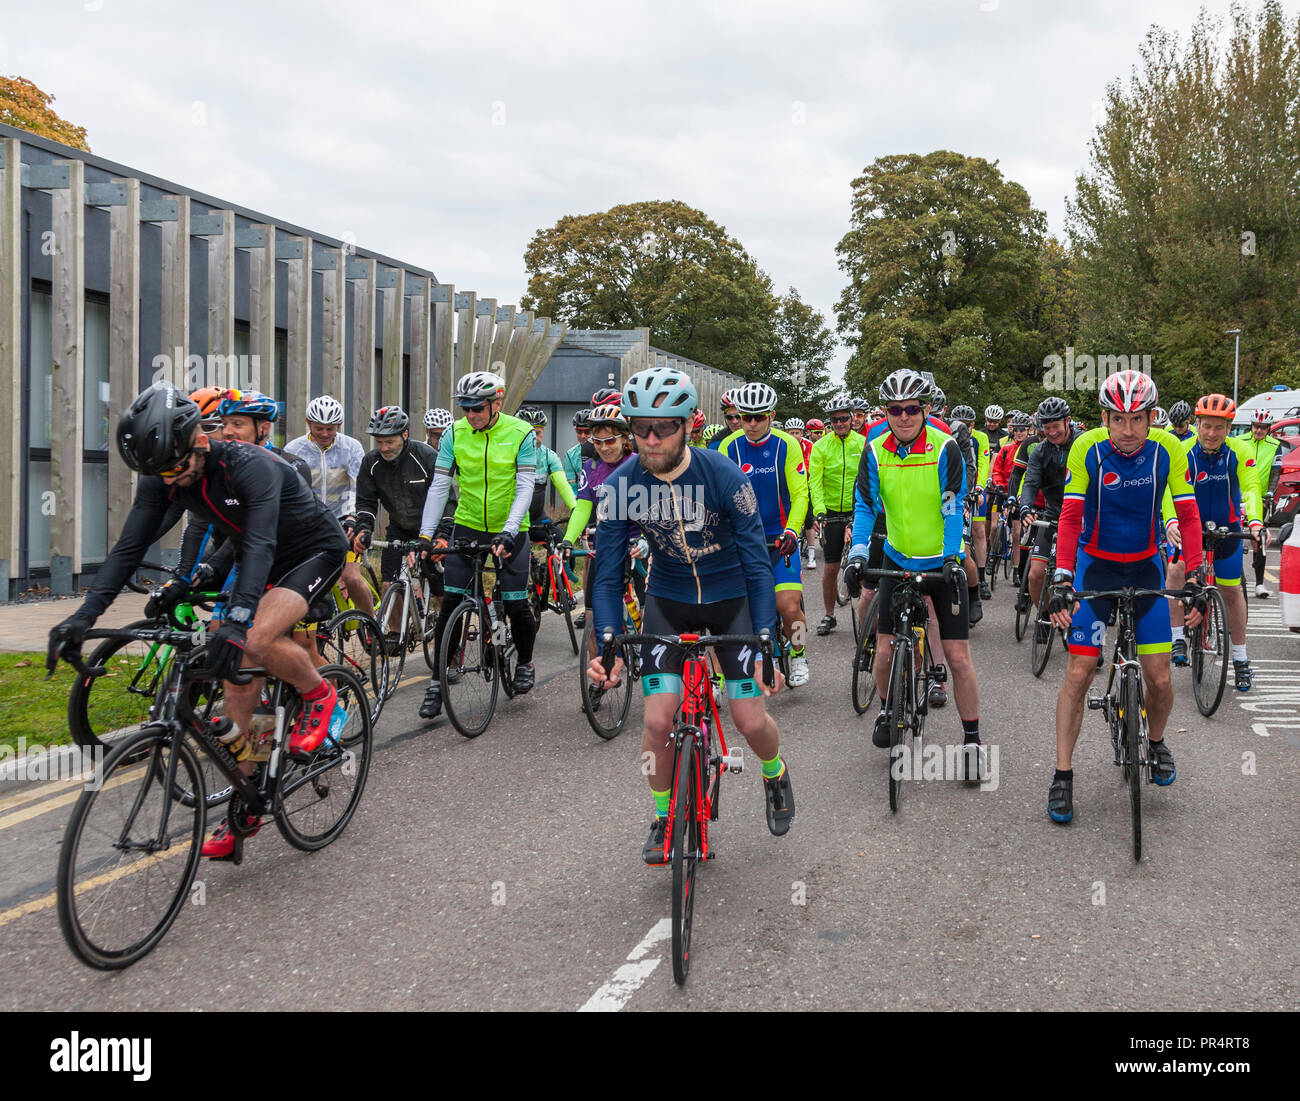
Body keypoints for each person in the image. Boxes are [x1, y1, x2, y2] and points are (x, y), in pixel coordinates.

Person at [48, 384, 350, 859]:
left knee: (250, 638)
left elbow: (259, 546)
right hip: (260, 559)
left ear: (198, 441)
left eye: (173, 469)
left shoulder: (251, 466)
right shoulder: (166, 474)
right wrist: (82, 617)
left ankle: (319, 693)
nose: (168, 482)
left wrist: (237, 620)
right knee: (235, 681)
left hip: (312, 551)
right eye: (157, 474)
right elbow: (128, 549)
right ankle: (247, 805)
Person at [584, 367, 794, 860]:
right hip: (668, 601)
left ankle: (775, 773)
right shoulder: (619, 485)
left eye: (663, 428)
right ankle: (663, 815)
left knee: (749, 719)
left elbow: (758, 566)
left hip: (731, 601)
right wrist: (610, 643)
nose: (650, 440)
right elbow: (609, 576)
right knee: (657, 722)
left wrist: (766, 639)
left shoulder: (724, 476)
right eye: (640, 429)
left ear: (687, 425)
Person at [1044, 370, 1205, 825]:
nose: (1129, 430)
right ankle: (1062, 775)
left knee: (1159, 679)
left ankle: (1155, 742)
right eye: (1119, 419)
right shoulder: (1087, 448)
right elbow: (1071, 517)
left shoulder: (1169, 449)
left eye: (1138, 419)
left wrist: (1195, 574)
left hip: (1146, 565)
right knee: (1079, 672)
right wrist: (1062, 577)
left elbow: (1189, 516)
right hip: (1096, 570)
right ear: (1105, 417)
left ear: (1153, 417)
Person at [843, 368, 986, 779]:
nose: (903, 417)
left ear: (924, 410)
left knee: (958, 658)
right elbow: (867, 507)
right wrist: (856, 555)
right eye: (894, 410)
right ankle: (888, 709)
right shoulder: (875, 450)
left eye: (911, 409)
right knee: (884, 652)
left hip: (939, 559)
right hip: (896, 557)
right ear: (885, 412)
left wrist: (951, 558)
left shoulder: (944, 448)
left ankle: (972, 740)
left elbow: (952, 507)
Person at [418, 372, 539, 718]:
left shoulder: (521, 433)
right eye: (465, 408)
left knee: (516, 605)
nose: (470, 415)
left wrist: (510, 530)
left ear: (497, 404)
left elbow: (525, 487)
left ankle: (525, 662)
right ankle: (437, 683)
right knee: (451, 602)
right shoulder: (454, 434)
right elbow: (440, 486)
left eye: (478, 408)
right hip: (468, 525)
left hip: (510, 528)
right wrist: (427, 535)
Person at [1162, 394, 1264, 691]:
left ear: (1229, 428)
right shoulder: (1183, 451)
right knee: (1175, 571)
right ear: (1197, 424)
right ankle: (1178, 637)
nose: (1211, 434)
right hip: (1188, 527)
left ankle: (1241, 659)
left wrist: (1255, 522)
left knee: (1230, 590)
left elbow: (1252, 487)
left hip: (1227, 528)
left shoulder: (1239, 451)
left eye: (1219, 428)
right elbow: (1170, 490)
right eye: (1206, 426)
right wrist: (1170, 522)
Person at [719, 382, 811, 687]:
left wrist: (792, 530)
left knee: (787, 606)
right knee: (740, 608)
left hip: (779, 539)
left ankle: (798, 651)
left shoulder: (788, 444)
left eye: (759, 417)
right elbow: (719, 496)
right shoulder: (728, 447)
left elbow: (799, 495)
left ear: (771, 415)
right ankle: (764, 655)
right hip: (744, 541)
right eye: (746, 417)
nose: (753, 424)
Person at [353, 406, 447, 630]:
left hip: (431, 528)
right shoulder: (371, 463)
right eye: (379, 442)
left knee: (440, 588)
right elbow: (366, 502)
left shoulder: (426, 457)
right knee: (389, 583)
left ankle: (449, 641)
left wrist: (443, 535)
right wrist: (363, 529)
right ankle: (395, 634)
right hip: (399, 528)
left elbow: (446, 499)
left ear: (405, 435)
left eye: (390, 442)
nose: (384, 448)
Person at [285, 395, 372, 616]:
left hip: (343, 518)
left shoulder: (351, 447)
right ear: (308, 423)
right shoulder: (294, 448)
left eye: (330, 429)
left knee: (351, 577)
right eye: (319, 428)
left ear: (338, 426)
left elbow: (357, 487)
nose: (324, 434)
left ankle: (372, 623)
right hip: (310, 521)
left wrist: (353, 516)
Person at [1016, 397, 1083, 623]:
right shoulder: (1040, 451)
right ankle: (1045, 615)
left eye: (1056, 426)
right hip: (1054, 515)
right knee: (1035, 574)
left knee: (1082, 577)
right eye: (1047, 428)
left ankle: (1083, 624)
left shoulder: (1082, 443)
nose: (1052, 432)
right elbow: (1031, 482)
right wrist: (1025, 506)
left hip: (1082, 517)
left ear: (1068, 421)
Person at [808, 392, 865, 635]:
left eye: (844, 418)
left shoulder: (863, 444)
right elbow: (815, 482)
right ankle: (829, 615)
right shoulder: (821, 446)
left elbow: (869, 479)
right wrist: (819, 512)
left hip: (858, 509)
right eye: (835, 420)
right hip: (830, 511)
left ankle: (866, 613)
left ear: (852, 418)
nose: (840, 423)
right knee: (831, 568)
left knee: (864, 564)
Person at [517, 407, 578, 543]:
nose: (534, 439)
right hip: (513, 520)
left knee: (561, 542)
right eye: (528, 434)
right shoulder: (508, 454)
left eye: (537, 433)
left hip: (537, 518)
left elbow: (562, 485)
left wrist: (574, 508)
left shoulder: (548, 456)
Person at [1238, 408, 1281, 597]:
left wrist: (1270, 492)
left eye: (1263, 428)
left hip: (1259, 497)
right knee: (1230, 536)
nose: (1258, 431)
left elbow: (1275, 471)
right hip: (1238, 496)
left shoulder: (1275, 445)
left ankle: (1259, 584)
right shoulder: (1240, 441)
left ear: (1269, 428)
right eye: (1256, 427)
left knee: (1259, 540)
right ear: (1251, 426)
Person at [564, 408, 593, 496]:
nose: (583, 436)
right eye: (579, 432)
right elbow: (572, 487)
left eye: (587, 432)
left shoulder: (604, 450)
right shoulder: (570, 454)